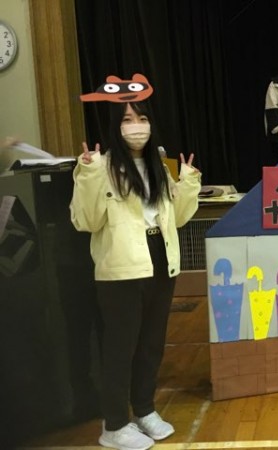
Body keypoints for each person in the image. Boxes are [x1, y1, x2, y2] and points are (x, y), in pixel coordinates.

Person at [70, 99, 201, 450]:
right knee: (120, 347)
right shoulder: (101, 166)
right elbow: (86, 221)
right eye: (127, 119)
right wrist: (88, 175)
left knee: (151, 344)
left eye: (142, 118)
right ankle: (113, 425)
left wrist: (188, 181)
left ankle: (144, 409)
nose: (136, 125)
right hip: (121, 266)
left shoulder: (158, 165)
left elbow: (178, 218)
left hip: (160, 257)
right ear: (115, 125)